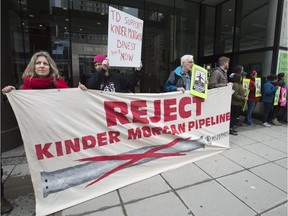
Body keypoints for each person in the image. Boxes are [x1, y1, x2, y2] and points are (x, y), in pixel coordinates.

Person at [2, 51, 69, 93]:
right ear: (33, 67)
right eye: (38, 63)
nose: (42, 66)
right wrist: (11, 93)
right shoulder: (23, 87)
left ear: (50, 67)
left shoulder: (59, 84)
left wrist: (79, 92)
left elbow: (70, 100)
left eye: (45, 63)